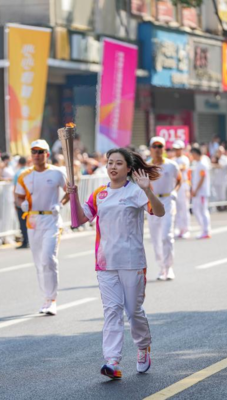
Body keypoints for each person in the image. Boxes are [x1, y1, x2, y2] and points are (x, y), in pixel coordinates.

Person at [66, 147, 164, 380]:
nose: (112, 167)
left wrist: (148, 190)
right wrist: (73, 195)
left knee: (133, 311)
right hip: (105, 262)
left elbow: (159, 212)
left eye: (118, 163)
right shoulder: (99, 193)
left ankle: (142, 347)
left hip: (132, 262)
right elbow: (79, 220)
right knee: (111, 311)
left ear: (129, 168)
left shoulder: (136, 192)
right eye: (110, 162)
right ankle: (112, 361)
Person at [15, 140, 68, 316]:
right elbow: (18, 196)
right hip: (33, 221)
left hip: (52, 219)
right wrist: (21, 204)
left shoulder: (57, 173)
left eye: (41, 151)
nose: (37, 155)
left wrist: (60, 204)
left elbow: (70, 190)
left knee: (48, 259)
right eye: (34, 151)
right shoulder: (25, 175)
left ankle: (52, 299)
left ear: (47, 154)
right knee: (39, 263)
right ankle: (46, 298)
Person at [148, 137, 181, 281]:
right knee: (155, 238)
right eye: (154, 146)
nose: (157, 149)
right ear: (150, 149)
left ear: (164, 148)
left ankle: (169, 267)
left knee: (167, 236)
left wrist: (175, 191)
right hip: (153, 202)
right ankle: (161, 268)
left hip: (168, 200)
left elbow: (179, 179)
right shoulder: (146, 166)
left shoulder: (171, 165)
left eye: (160, 146)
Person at [190, 147, 211, 239]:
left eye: (192, 154)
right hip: (197, 192)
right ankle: (203, 229)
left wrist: (196, 190)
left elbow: (202, 178)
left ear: (195, 153)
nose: (192, 156)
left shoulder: (202, 164)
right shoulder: (198, 163)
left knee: (203, 211)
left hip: (201, 192)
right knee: (195, 210)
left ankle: (206, 230)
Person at [172, 141, 191, 238]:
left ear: (182, 149)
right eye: (175, 149)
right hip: (175, 186)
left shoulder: (184, 159)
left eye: (178, 149)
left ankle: (186, 229)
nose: (176, 151)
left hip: (183, 186)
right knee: (177, 209)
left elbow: (182, 168)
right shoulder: (174, 159)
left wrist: (173, 167)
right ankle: (180, 229)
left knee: (184, 208)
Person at [13, 156, 29, 249]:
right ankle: (30, 240)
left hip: (21, 200)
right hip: (30, 200)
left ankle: (26, 241)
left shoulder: (18, 173)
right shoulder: (30, 172)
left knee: (22, 222)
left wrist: (15, 201)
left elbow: (15, 189)